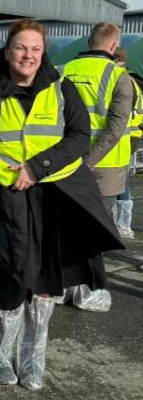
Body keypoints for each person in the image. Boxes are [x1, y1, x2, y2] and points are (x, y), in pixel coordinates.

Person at [0, 19, 123, 391]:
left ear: (43, 52)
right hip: (8, 193)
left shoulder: (63, 88)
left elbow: (79, 137)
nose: (27, 56)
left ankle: (32, 361)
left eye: (35, 49)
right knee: (10, 272)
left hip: (55, 194)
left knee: (46, 280)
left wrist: (38, 166)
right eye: (20, 48)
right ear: (8, 49)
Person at [59, 22, 135, 311]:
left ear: (89, 41)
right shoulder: (119, 76)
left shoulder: (63, 70)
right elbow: (115, 128)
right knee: (92, 230)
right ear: (113, 46)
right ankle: (88, 291)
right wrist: (88, 160)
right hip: (104, 167)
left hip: (65, 163)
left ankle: (62, 286)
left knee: (65, 227)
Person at [112, 48, 142, 239]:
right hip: (130, 138)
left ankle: (122, 225)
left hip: (122, 138)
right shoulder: (132, 81)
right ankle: (122, 224)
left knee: (122, 182)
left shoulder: (122, 81)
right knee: (122, 180)